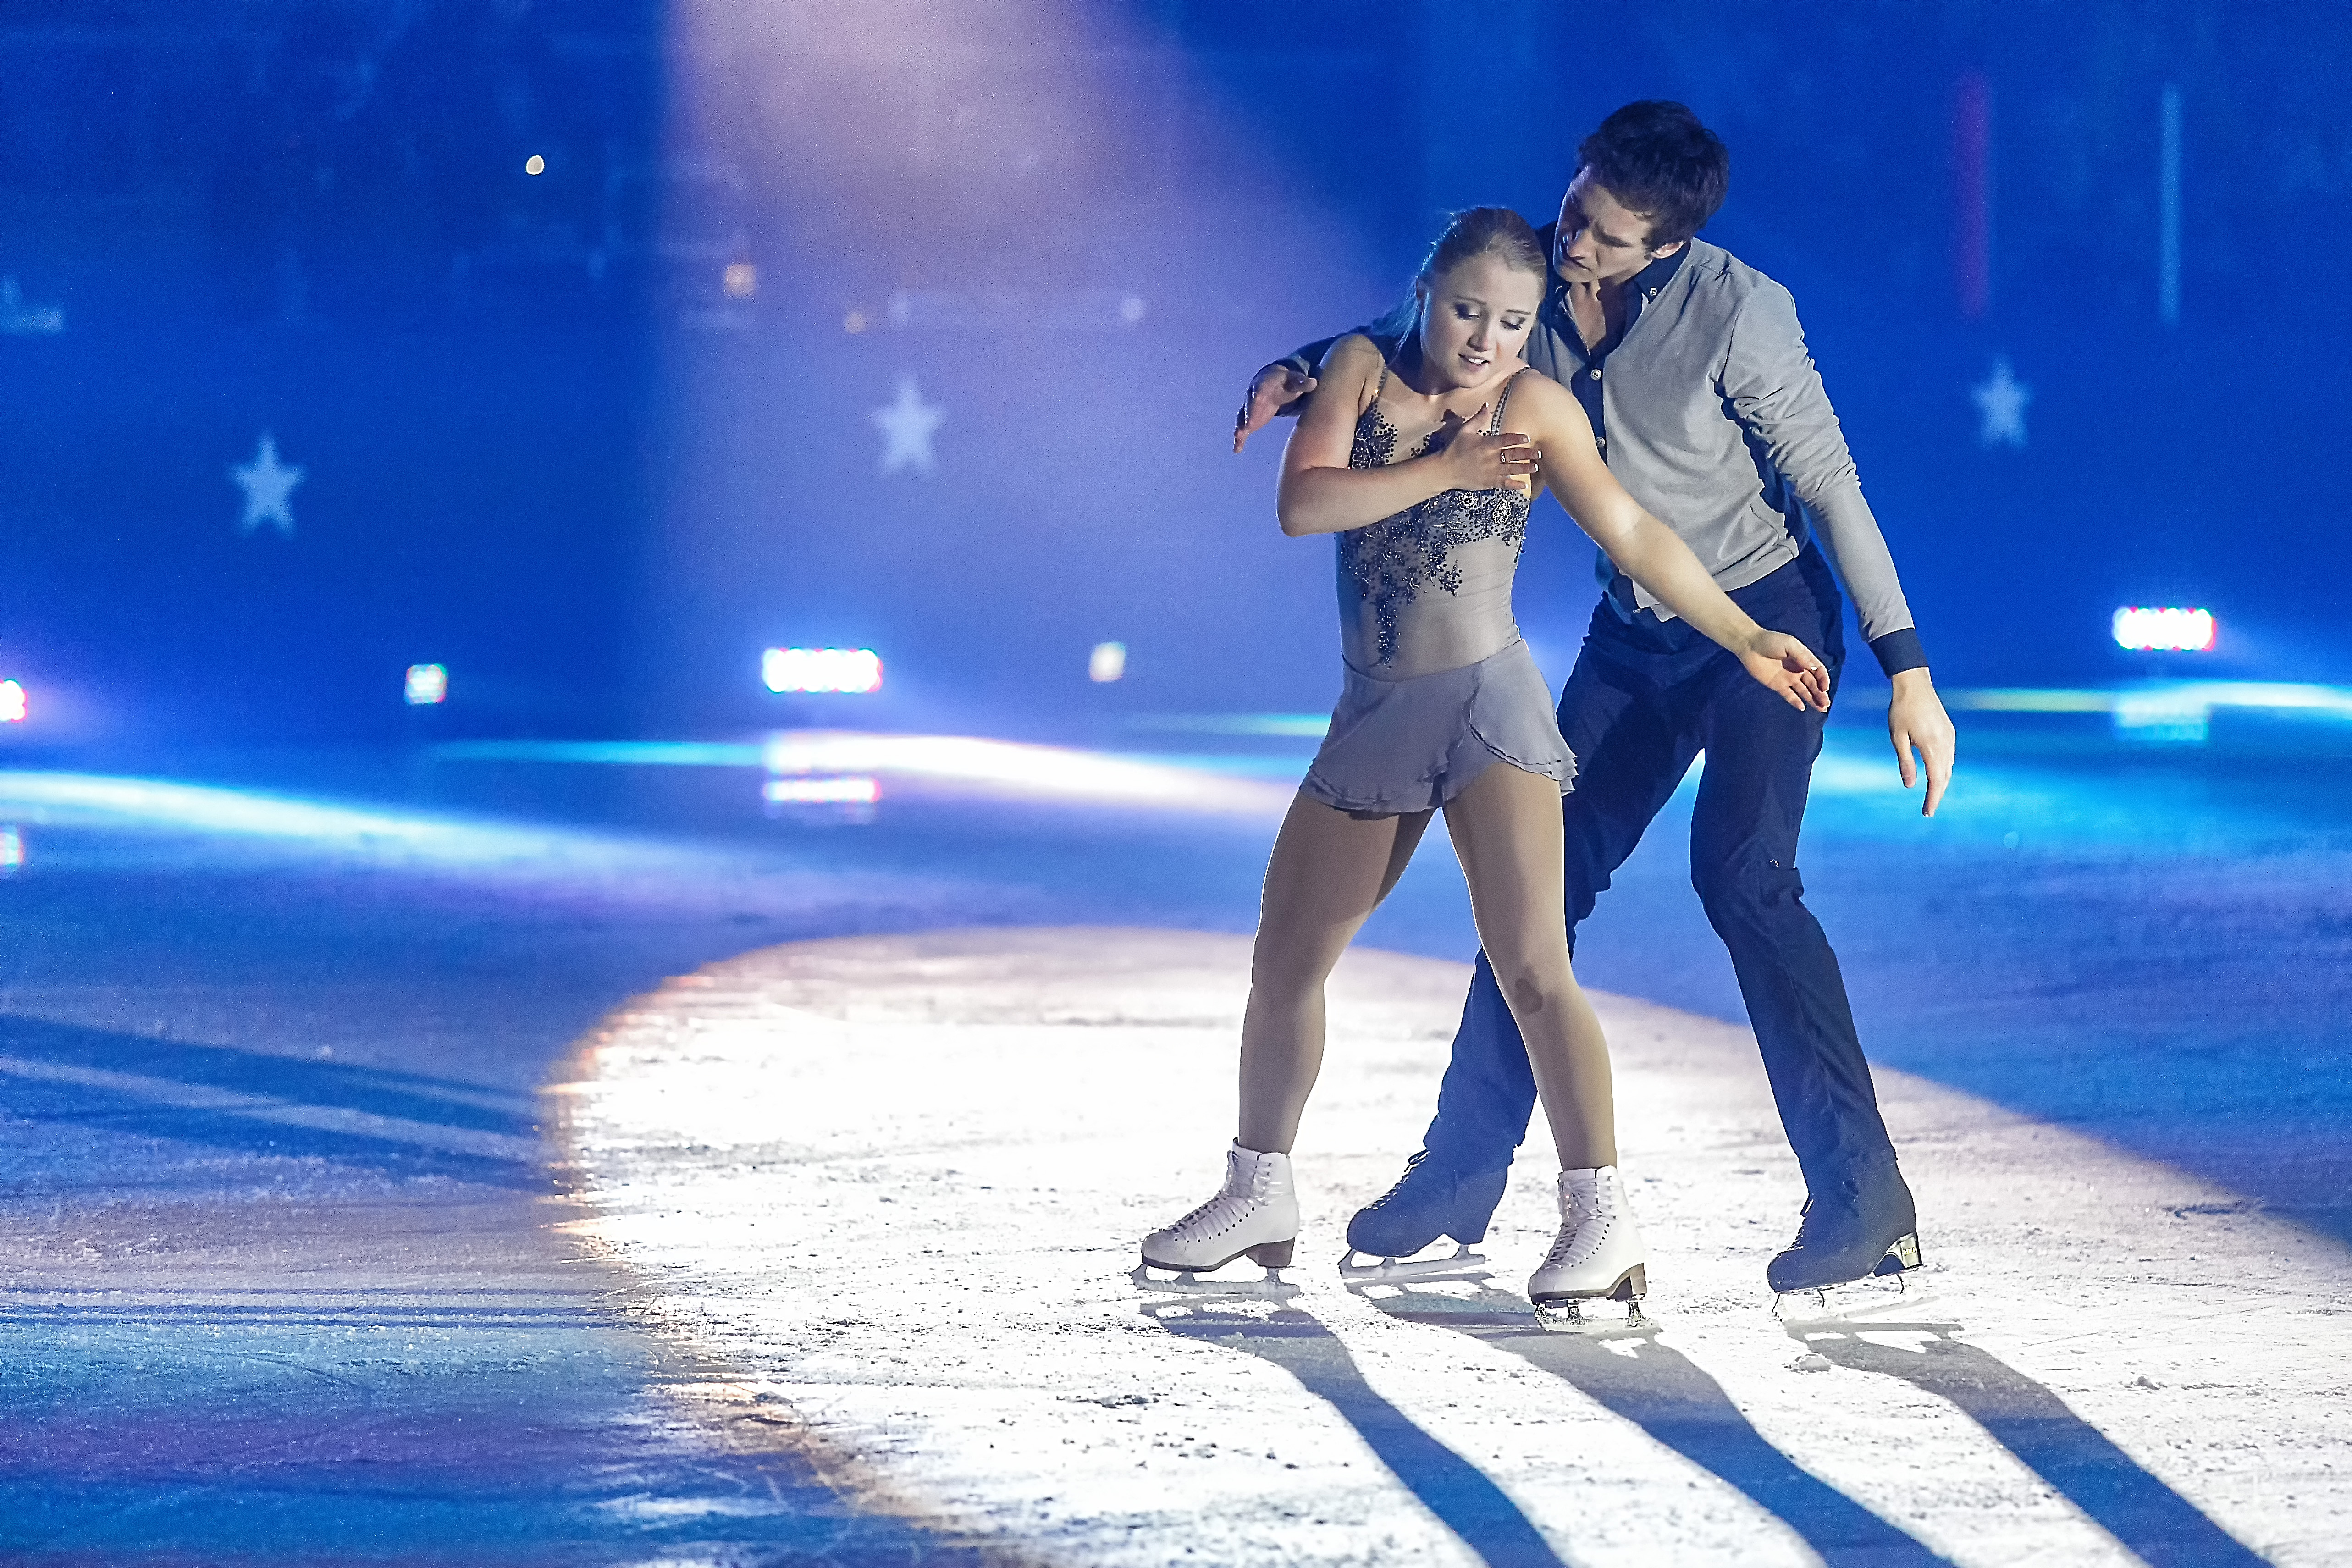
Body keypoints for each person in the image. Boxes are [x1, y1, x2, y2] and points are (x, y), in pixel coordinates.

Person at [1233, 102, 1958, 1299]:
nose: (1570, 245)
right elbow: (1429, 318)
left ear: (1666, 244)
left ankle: (1862, 1197)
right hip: (1634, 635)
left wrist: (1909, 669)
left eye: (1604, 239)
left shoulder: (1743, 311)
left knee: (1743, 876)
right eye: (1574, 212)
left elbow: (1829, 481)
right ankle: (1461, 1171)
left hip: (1757, 623)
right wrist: (1306, 364)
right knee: (1537, 881)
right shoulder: (1539, 266)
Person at [1142, 208, 1831, 1318]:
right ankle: (1258, 1191)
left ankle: (1602, 1220)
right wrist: (1448, 466)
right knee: (1285, 961)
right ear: (1426, 294)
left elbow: (1634, 532)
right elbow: (1303, 502)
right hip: (1378, 713)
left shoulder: (1536, 407)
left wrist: (1746, 635)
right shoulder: (1360, 371)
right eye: (1468, 311)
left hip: (1490, 712)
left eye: (1513, 322)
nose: (1486, 341)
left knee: (1533, 967)